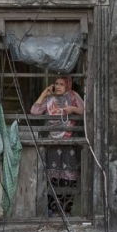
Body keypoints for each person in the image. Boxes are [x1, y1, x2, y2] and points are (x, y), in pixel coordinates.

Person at [31, 76, 85, 216]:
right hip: (53, 143)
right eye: (56, 84)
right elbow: (34, 111)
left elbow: (86, 111)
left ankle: (66, 209)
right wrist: (44, 94)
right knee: (53, 176)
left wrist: (72, 109)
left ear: (68, 85)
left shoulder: (73, 96)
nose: (59, 86)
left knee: (67, 176)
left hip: (68, 143)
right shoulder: (49, 100)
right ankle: (53, 210)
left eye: (62, 84)